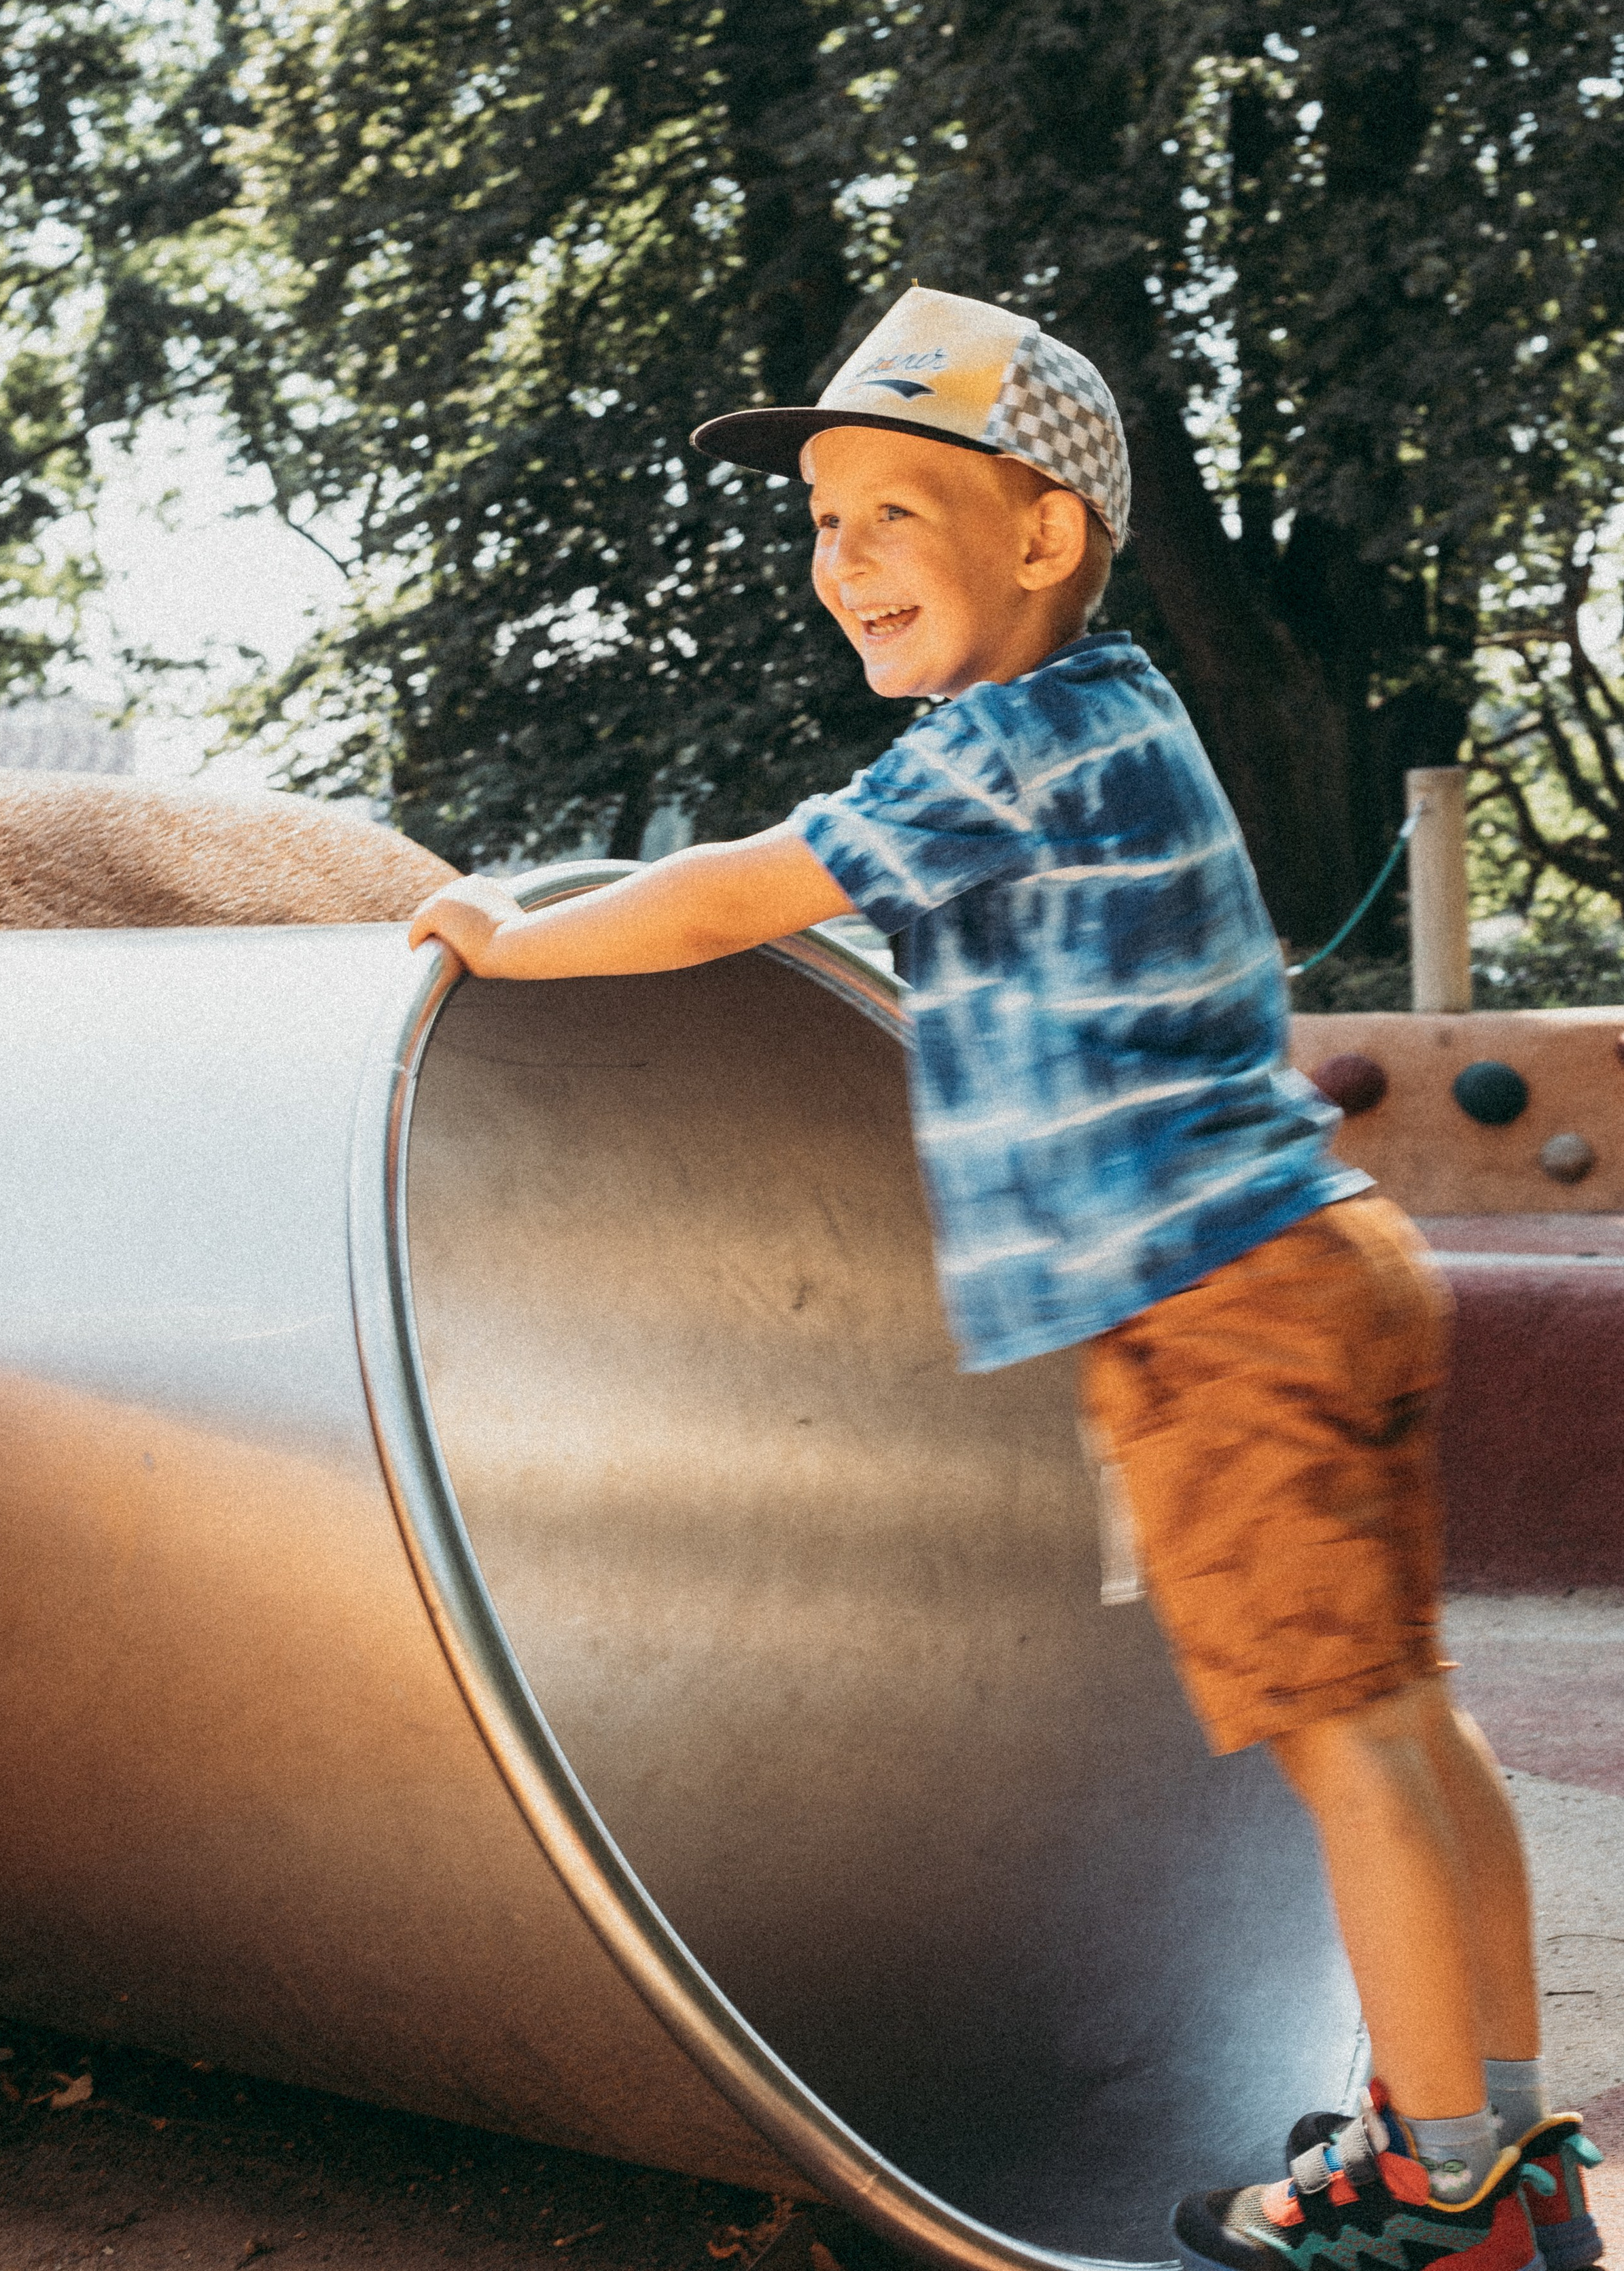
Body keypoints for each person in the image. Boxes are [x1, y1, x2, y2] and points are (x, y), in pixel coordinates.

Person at [408, 284, 1602, 2271]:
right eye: (818, 518)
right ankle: (1490, 2140)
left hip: (1219, 1301)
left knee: (1349, 1742)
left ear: (1040, 533)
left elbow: (753, 886)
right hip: (1309, 1267)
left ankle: (1447, 2195)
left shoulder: (1018, 743)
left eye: (886, 510)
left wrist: (512, 940)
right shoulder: (1112, 723)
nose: (835, 557)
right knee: (1407, 1720)